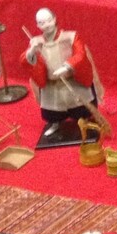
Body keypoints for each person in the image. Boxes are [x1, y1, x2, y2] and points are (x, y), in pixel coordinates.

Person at [20, 8, 103, 138]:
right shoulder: (36, 42)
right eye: (41, 23)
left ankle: (84, 122)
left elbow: (81, 54)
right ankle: (55, 124)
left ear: (54, 19)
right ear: (37, 25)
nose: (46, 25)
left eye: (48, 21)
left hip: (71, 79)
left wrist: (67, 66)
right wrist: (31, 51)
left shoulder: (70, 36)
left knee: (80, 106)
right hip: (52, 84)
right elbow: (25, 60)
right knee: (53, 109)